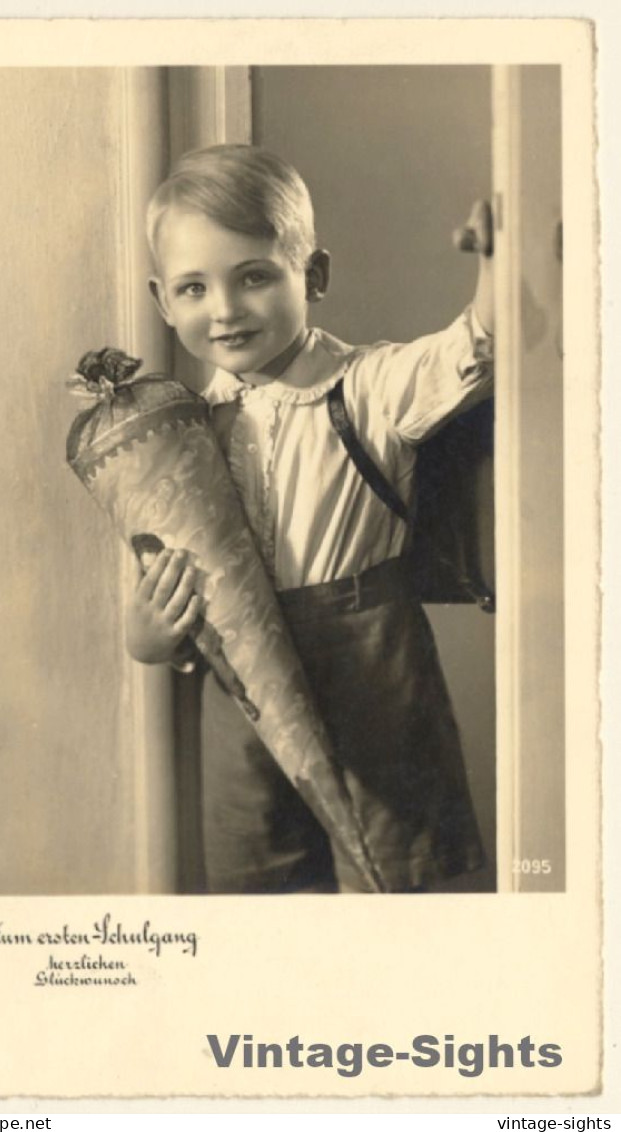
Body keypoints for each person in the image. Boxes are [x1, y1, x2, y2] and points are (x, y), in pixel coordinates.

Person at [125, 143, 494, 895]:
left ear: (312, 275)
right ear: (164, 302)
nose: (223, 310)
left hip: (370, 668)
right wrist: (148, 633)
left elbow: (473, 347)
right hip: (243, 691)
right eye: (194, 288)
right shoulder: (179, 436)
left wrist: (500, 258)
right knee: (257, 891)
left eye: (253, 276)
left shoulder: (368, 387)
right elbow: (156, 609)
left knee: (392, 883)